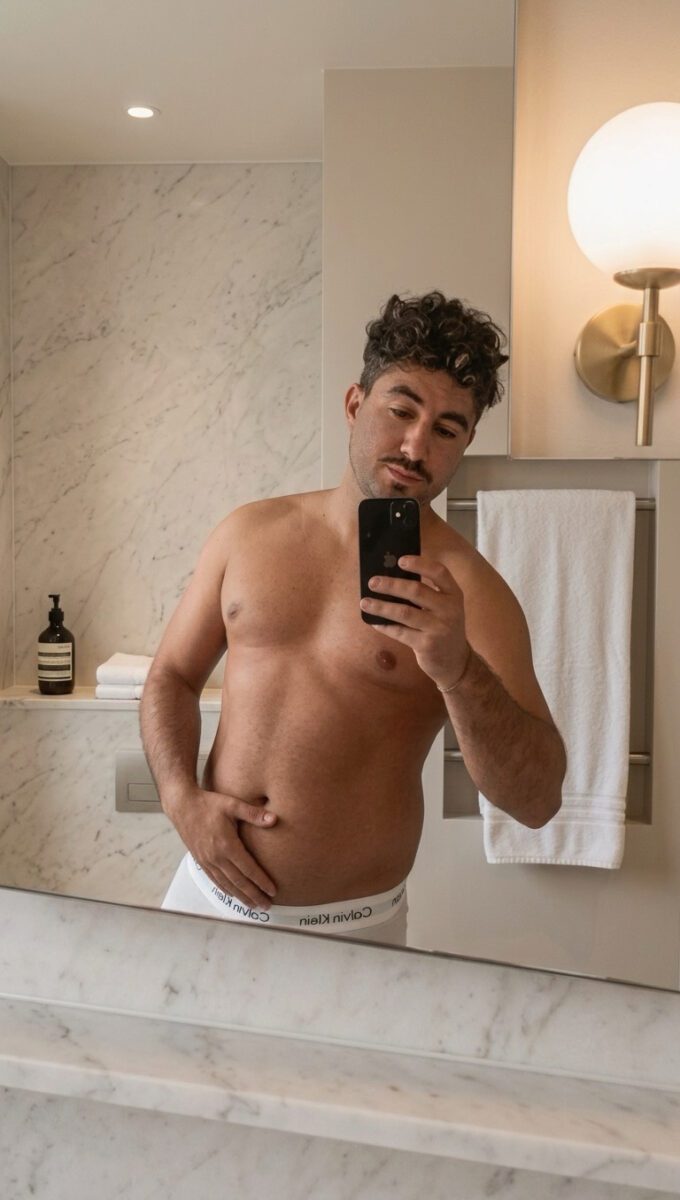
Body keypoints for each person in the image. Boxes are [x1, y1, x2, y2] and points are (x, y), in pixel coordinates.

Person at [140, 291, 566, 945]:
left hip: (353, 932)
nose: (416, 445)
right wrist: (179, 798)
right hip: (204, 895)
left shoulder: (473, 594)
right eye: (401, 410)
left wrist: (459, 672)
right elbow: (171, 675)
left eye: (446, 429)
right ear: (354, 404)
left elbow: (536, 802)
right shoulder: (247, 534)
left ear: (465, 443)